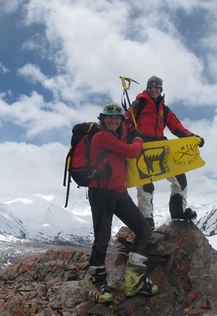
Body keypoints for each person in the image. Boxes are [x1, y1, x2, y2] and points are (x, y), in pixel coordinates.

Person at [87, 102, 159, 303]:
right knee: (102, 238)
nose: (113, 120)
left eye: (117, 118)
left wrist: (133, 111)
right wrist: (138, 139)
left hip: (119, 192)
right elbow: (133, 151)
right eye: (109, 117)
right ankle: (97, 282)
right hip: (101, 193)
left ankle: (135, 280)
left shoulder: (116, 136)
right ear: (102, 119)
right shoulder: (102, 137)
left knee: (144, 230)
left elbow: (126, 128)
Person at [123, 75, 205, 229]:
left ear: (161, 89)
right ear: (147, 89)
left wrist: (194, 138)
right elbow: (124, 123)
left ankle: (178, 212)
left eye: (156, 87)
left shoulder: (164, 110)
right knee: (145, 184)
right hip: (142, 145)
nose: (153, 89)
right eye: (150, 87)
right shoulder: (138, 105)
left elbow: (177, 127)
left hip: (161, 146)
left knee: (179, 178)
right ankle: (146, 219)